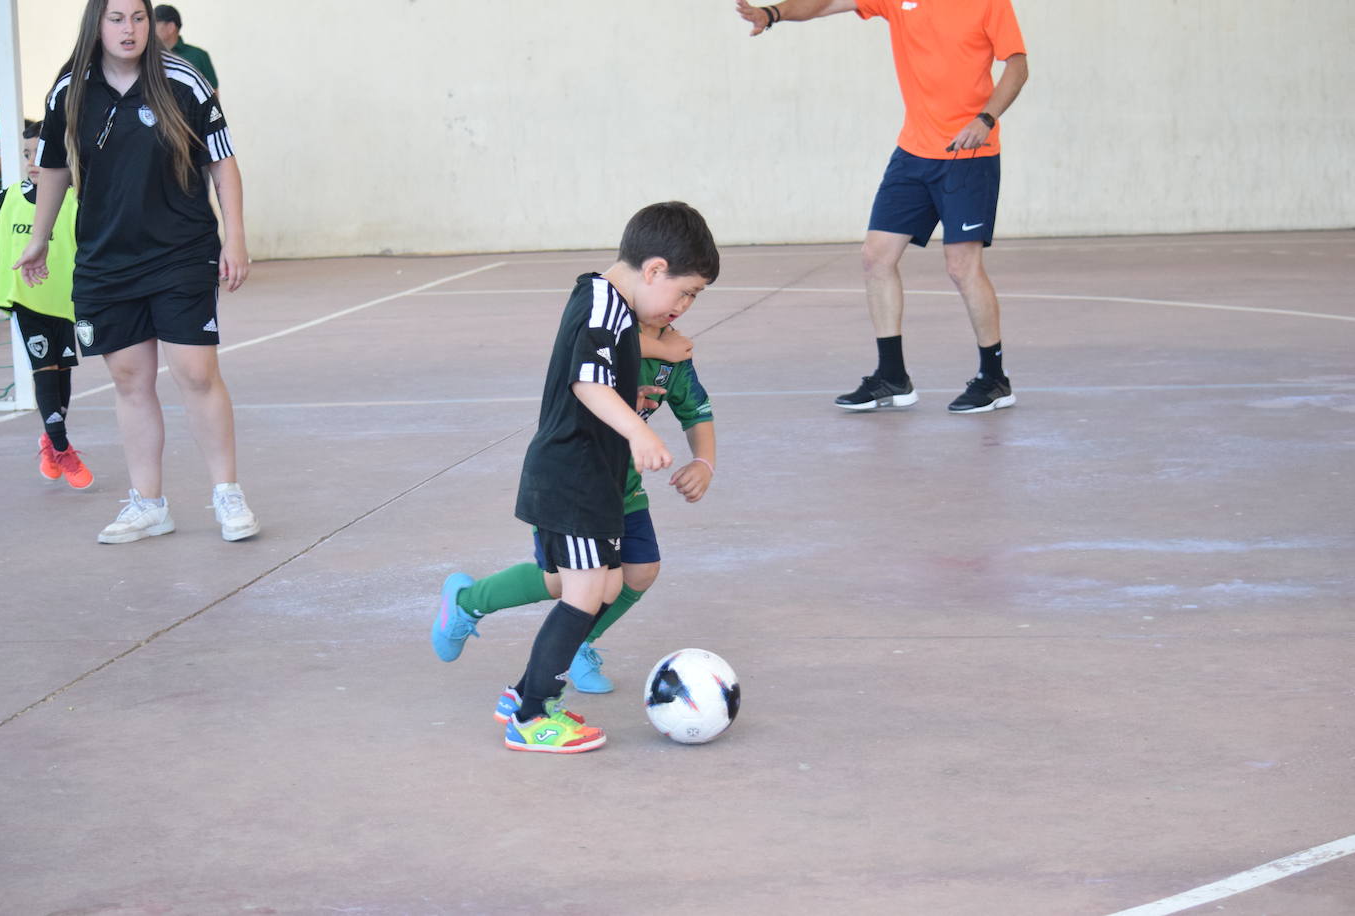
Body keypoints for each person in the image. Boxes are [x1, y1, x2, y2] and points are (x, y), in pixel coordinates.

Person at [441, 201, 719, 754]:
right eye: (685, 291)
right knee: (588, 590)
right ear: (655, 269)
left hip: (594, 476)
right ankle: (532, 716)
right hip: (570, 473)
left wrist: (665, 349)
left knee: (610, 584)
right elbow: (587, 383)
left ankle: (523, 694)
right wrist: (640, 434)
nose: (685, 305)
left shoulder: (615, 305)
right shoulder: (600, 305)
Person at [15, 0, 258, 543]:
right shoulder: (69, 91)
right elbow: (53, 166)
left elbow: (222, 164)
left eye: (139, 17)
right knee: (130, 381)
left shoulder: (183, 82)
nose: (130, 29)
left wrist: (235, 238)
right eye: (117, 18)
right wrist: (38, 238)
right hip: (106, 260)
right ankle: (149, 505)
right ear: (95, 24)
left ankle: (227, 494)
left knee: (197, 374)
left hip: (181, 252)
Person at [736, 0, 1028, 413]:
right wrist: (774, 14)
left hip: (970, 153)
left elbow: (1017, 66)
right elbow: (822, 5)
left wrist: (986, 118)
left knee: (963, 266)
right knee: (876, 256)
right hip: (914, 152)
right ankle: (892, 377)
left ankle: (994, 378)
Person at [431, 323, 717, 696]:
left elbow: (697, 411)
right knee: (568, 583)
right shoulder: (605, 338)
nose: (680, 304)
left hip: (621, 486)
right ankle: (467, 602)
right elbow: (583, 394)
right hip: (570, 483)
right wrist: (646, 373)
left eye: (691, 295)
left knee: (640, 570)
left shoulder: (674, 351)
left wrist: (704, 463)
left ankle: (579, 641)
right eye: (679, 291)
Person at [0, 120, 93, 489]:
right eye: (27, 153)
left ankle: (49, 439)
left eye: (41, 154)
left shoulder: (77, 200)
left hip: (64, 301)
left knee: (63, 377)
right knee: (43, 370)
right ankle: (62, 447)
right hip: (26, 300)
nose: (33, 161)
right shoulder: (9, 196)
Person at [153, 5, 218, 90]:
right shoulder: (149, 56)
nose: (150, 29)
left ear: (170, 27)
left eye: (154, 23)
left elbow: (213, 94)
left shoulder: (199, 56)